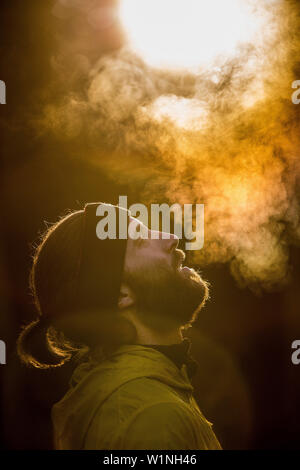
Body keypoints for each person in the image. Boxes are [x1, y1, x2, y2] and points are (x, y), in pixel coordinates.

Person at [17, 202, 222, 450]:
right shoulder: (151, 416)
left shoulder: (144, 394)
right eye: (140, 240)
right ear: (121, 296)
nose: (170, 238)